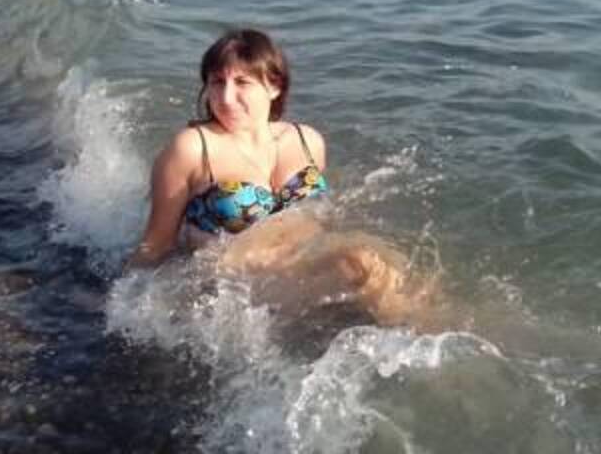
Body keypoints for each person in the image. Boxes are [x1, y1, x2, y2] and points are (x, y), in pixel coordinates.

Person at [127, 28, 427, 325]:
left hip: (305, 269)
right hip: (236, 288)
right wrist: (123, 307)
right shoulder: (192, 148)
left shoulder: (306, 140)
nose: (226, 98)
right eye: (217, 82)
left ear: (274, 86)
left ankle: (426, 333)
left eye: (241, 82)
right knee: (361, 266)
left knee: (384, 268)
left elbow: (320, 217)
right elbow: (156, 244)